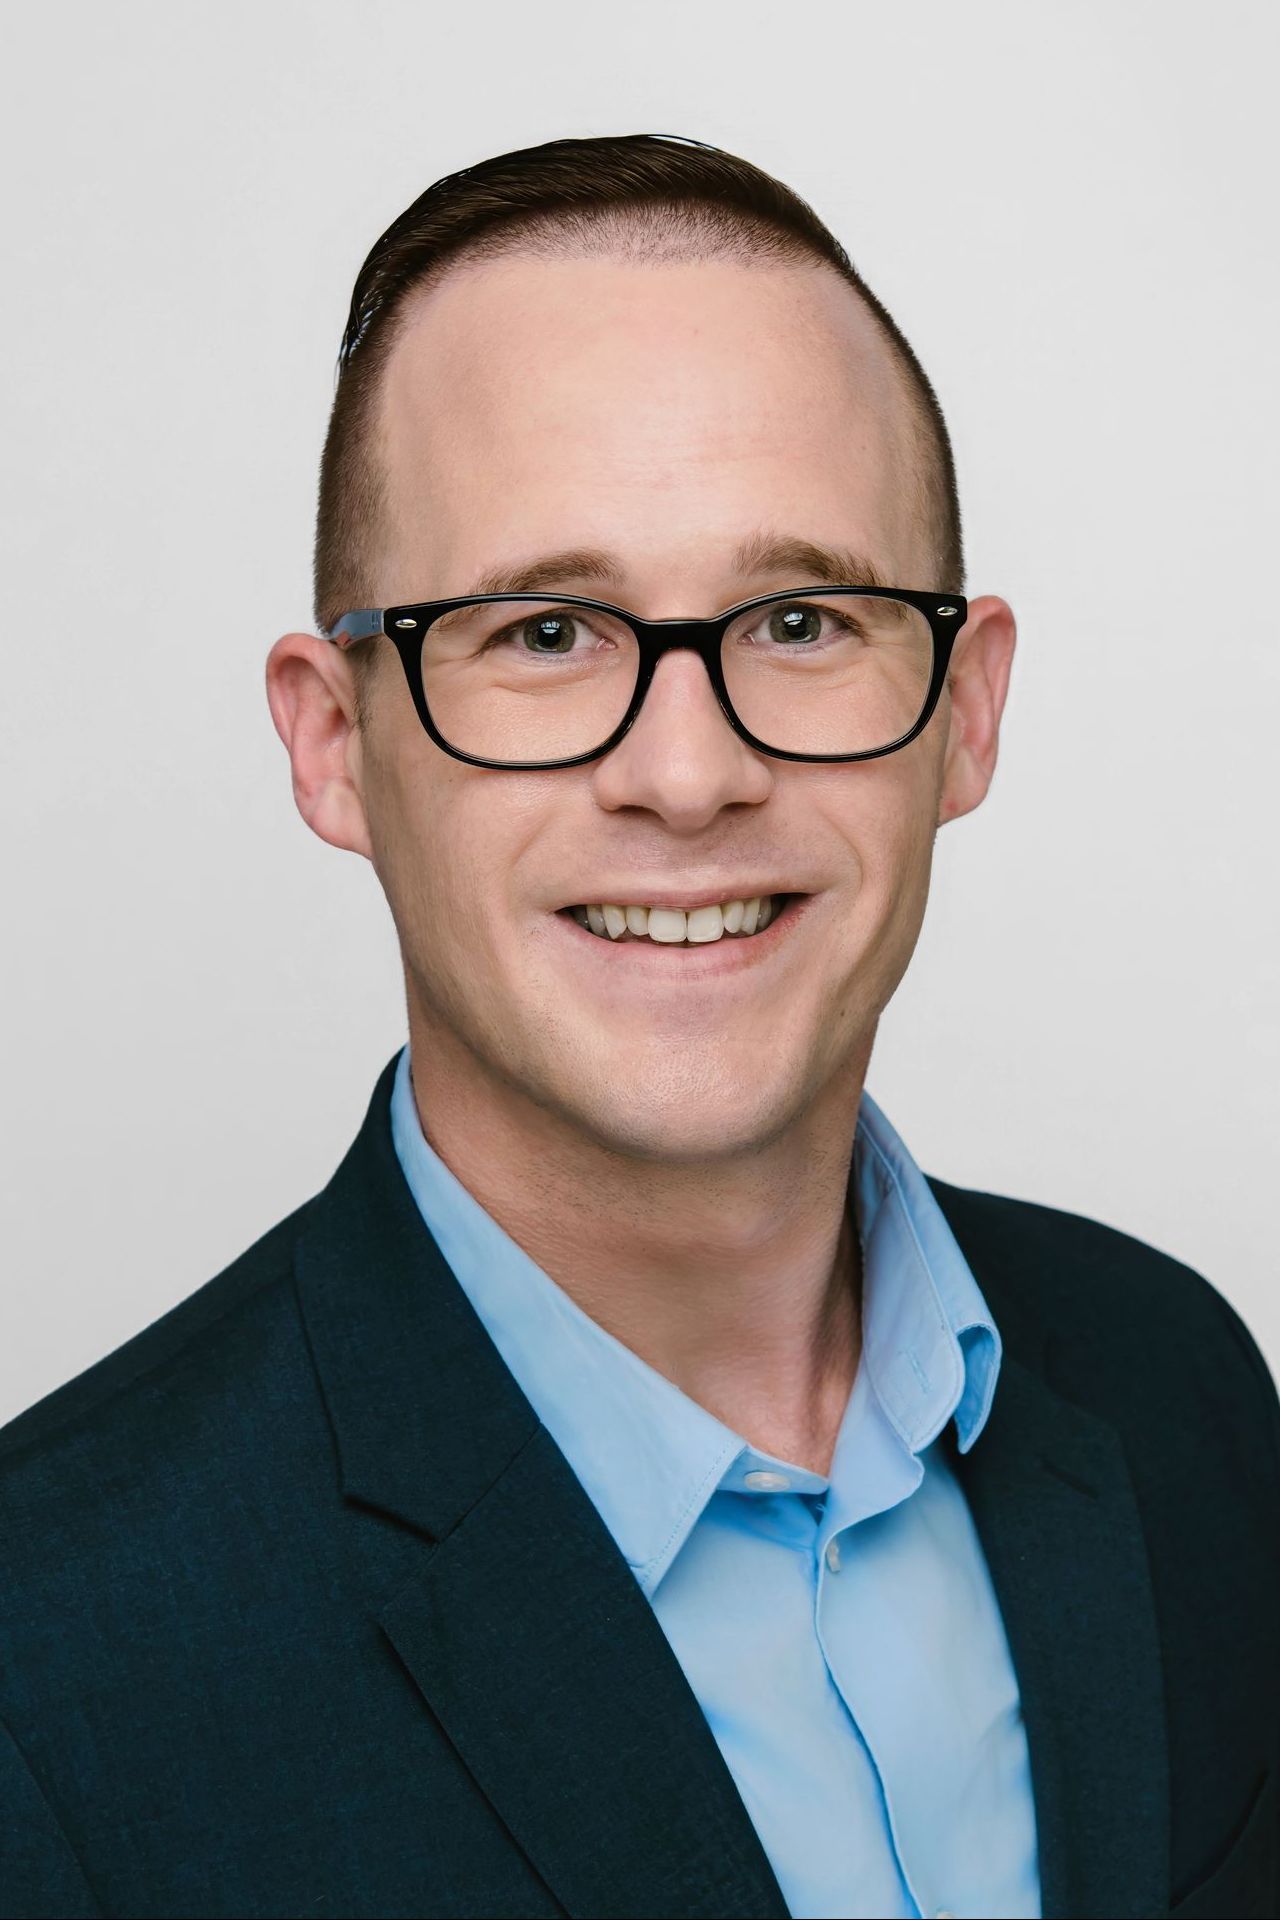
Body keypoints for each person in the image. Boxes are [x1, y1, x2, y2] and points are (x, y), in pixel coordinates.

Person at [1, 134, 1275, 1920]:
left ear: (966, 713)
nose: (689, 774)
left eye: (806, 618)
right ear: (333, 743)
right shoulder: (46, 1660)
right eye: (542, 633)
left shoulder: (1183, 1393)